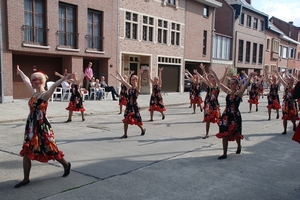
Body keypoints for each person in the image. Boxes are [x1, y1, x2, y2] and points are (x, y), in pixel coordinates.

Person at [15, 65, 72, 188]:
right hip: (31, 126)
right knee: (26, 151)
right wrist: (20, 72)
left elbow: (54, 86)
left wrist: (63, 79)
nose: (32, 82)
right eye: (32, 79)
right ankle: (26, 179)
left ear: (41, 81)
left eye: (35, 79)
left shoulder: (45, 95)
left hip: (42, 126)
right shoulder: (34, 93)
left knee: (51, 150)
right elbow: (25, 81)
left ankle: (66, 165)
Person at [210, 67, 256, 159]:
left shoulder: (239, 93)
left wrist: (249, 77)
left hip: (235, 116)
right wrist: (214, 73)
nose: (231, 85)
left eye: (233, 84)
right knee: (224, 133)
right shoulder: (228, 91)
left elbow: (245, 85)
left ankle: (239, 145)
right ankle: (224, 153)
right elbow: (219, 83)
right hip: (226, 115)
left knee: (237, 133)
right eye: (230, 84)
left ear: (237, 84)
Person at [116, 69, 146, 139]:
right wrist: (119, 74)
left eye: (133, 79)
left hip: (134, 106)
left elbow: (139, 83)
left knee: (137, 120)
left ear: (136, 80)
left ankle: (142, 129)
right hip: (128, 105)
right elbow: (123, 81)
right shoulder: (130, 87)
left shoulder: (137, 88)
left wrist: (139, 74)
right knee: (126, 119)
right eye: (131, 79)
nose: (132, 81)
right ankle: (125, 134)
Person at [197, 64, 221, 139]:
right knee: (207, 119)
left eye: (213, 78)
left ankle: (222, 130)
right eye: (211, 78)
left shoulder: (218, 87)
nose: (211, 79)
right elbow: (205, 78)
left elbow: (220, 80)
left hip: (215, 104)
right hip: (209, 104)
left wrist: (214, 73)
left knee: (218, 119)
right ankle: (207, 133)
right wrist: (203, 70)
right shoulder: (210, 86)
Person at [274, 70, 299, 134]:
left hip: (292, 103)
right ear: (288, 80)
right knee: (285, 117)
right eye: (290, 80)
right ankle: (285, 130)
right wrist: (277, 72)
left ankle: (294, 124)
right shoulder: (286, 86)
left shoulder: (296, 87)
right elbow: (281, 79)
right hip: (286, 104)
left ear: (294, 81)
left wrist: (294, 76)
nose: (291, 81)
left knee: (292, 116)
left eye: (292, 80)